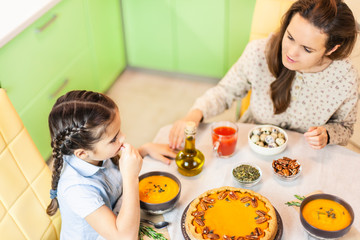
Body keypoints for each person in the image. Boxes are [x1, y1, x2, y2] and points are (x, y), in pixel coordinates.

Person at [169, 0, 359, 150]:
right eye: (290, 37)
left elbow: (345, 127)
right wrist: (194, 114)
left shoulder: (346, 79)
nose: (291, 53)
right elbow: (225, 91)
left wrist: (327, 134)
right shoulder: (259, 52)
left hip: (306, 156)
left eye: (307, 49)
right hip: (252, 145)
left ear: (332, 48)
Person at [46, 90, 176, 239]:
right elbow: (125, 237)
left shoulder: (95, 154)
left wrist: (144, 150)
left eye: (119, 131)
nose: (123, 137)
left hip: (120, 216)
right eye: (114, 138)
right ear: (82, 153)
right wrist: (131, 177)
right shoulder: (76, 189)